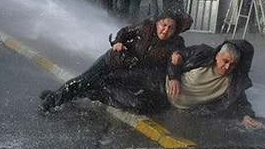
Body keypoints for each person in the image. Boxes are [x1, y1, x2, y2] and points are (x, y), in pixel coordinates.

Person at [39, 12, 192, 113]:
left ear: (175, 31)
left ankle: (69, 94)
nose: (165, 30)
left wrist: (173, 77)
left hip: (131, 71)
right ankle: (52, 100)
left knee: (115, 94)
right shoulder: (146, 26)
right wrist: (118, 42)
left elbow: (175, 61)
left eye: (170, 28)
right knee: (84, 80)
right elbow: (125, 32)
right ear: (157, 23)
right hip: (114, 59)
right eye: (163, 25)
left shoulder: (176, 43)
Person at [165, 39, 264, 128]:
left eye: (232, 64)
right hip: (164, 93)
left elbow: (240, 100)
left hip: (188, 110)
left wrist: (246, 116)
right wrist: (173, 77)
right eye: (225, 61)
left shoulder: (233, 80)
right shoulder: (202, 53)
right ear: (217, 55)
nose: (227, 67)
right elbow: (175, 57)